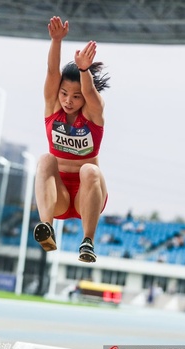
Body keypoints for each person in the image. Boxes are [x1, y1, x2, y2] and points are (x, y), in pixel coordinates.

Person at [33, 16, 110, 263]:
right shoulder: (53, 107)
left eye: (76, 97)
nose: (68, 101)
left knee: (89, 169)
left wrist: (84, 70)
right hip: (59, 194)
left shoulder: (93, 113)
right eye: (65, 94)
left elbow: (89, 92)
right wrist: (56, 41)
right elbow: (52, 72)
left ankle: (88, 241)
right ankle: (46, 226)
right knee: (46, 159)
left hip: (88, 194)